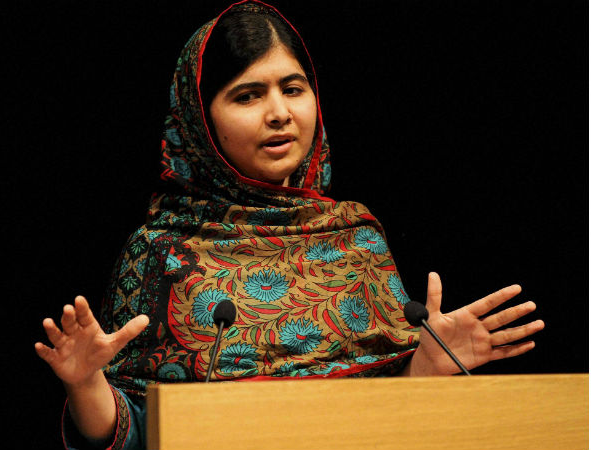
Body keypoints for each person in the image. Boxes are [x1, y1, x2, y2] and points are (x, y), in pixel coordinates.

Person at [34, 1, 545, 449]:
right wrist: (86, 385)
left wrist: (423, 368)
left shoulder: (357, 239)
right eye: (247, 95)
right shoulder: (162, 251)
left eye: (293, 89)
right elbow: (137, 433)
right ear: (200, 119)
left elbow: (388, 420)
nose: (279, 113)